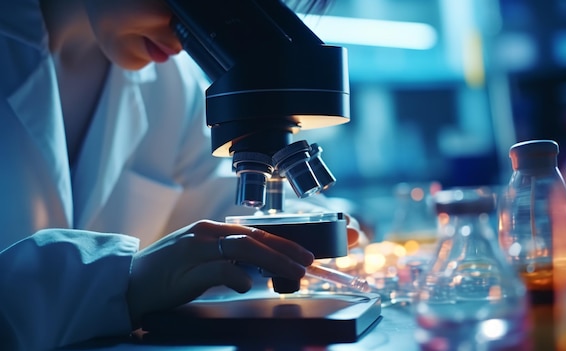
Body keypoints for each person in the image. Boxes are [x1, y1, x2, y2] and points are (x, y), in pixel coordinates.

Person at [0, 0, 360, 349]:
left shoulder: (170, 81)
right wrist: (124, 283)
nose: (192, 36)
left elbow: (212, 200)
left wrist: (318, 226)